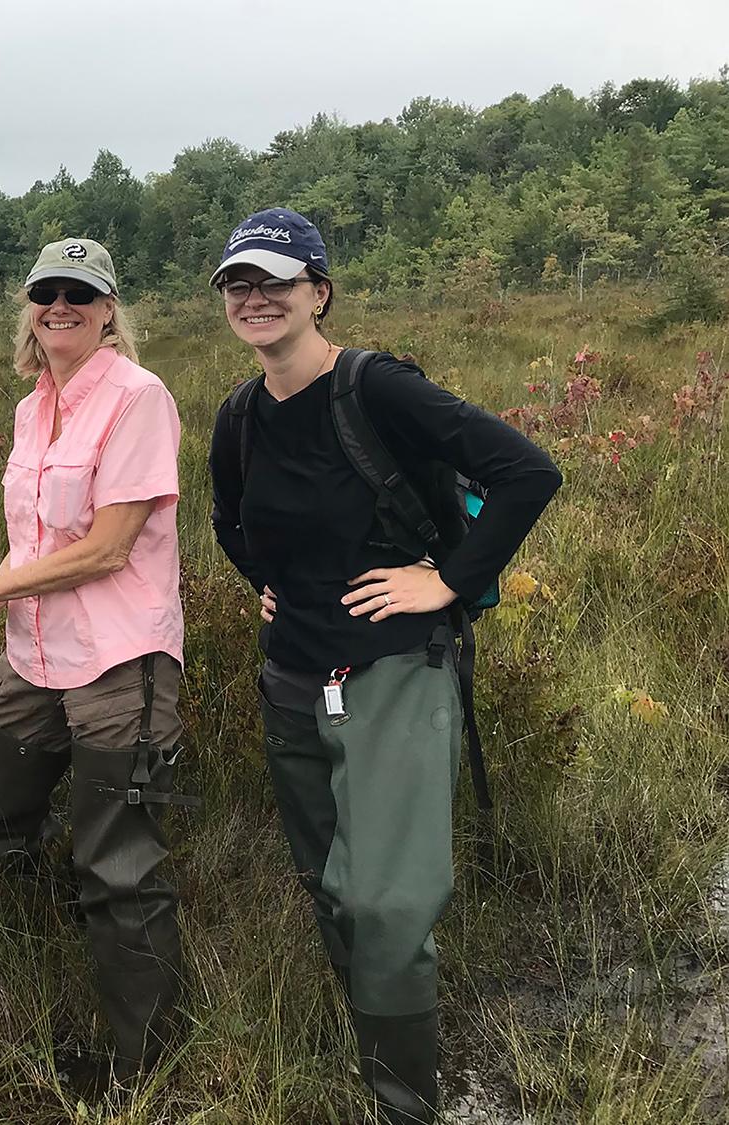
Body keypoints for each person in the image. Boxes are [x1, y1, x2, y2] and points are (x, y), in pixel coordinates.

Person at [206, 209, 562, 1122]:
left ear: (318, 292)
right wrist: (268, 584)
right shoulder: (239, 414)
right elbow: (230, 523)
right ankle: (377, 1064)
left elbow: (527, 472)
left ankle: (406, 1106)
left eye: (276, 282)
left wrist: (445, 578)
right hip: (290, 681)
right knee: (332, 890)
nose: (256, 298)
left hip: (394, 674)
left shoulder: (377, 389)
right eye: (240, 285)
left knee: (389, 905)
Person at [0, 238, 190, 1088]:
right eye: (47, 292)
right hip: (34, 655)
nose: (60, 306)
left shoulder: (138, 398)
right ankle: (62, 950)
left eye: (80, 292)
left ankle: (141, 1067)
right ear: (30, 308)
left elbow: (110, 548)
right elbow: (36, 538)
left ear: (110, 308)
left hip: (119, 657)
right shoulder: (35, 405)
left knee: (118, 859)